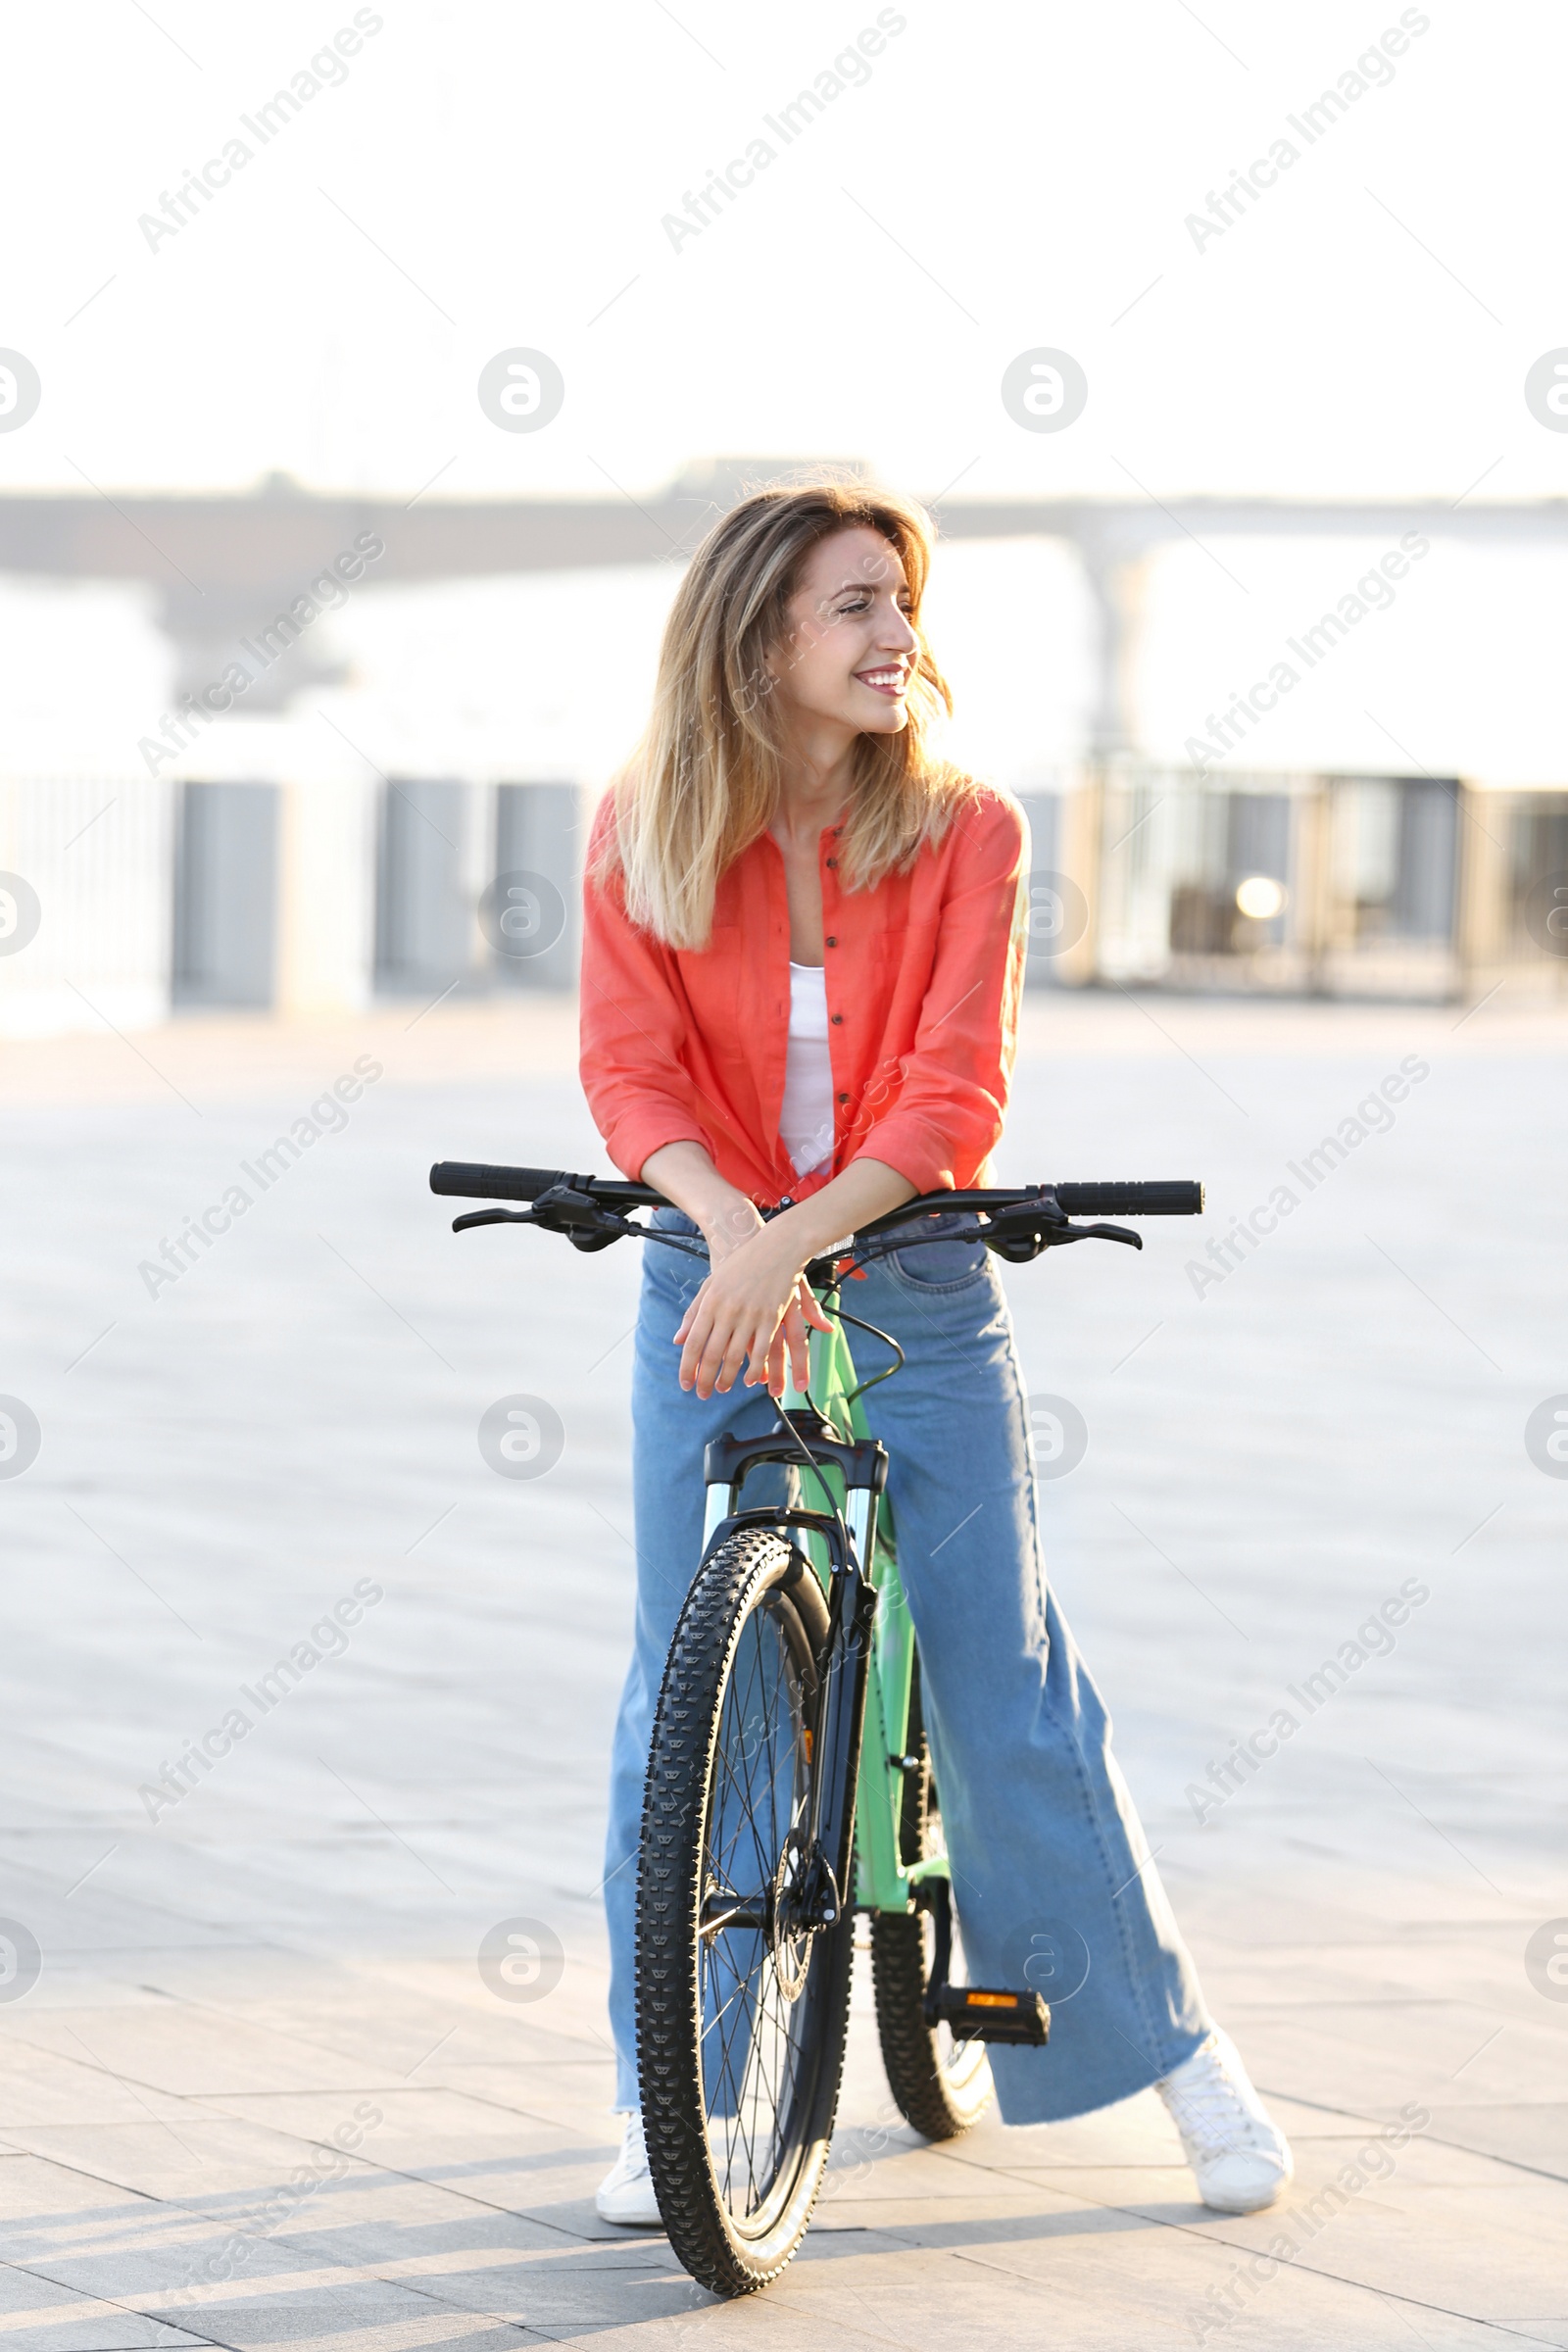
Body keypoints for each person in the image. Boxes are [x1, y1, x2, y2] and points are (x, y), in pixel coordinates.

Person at [576, 480, 1292, 2226]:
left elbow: (949, 1094)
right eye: (853, 607)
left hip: (906, 1279)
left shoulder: (967, 831)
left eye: (902, 602)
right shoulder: (645, 824)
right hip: (706, 1275)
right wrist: (736, 1246)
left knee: (1003, 1686)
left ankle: (1175, 2052)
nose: (899, 635)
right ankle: (664, 2081)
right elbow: (632, 1075)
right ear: (759, 639)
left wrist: (794, 1247)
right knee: (686, 1697)